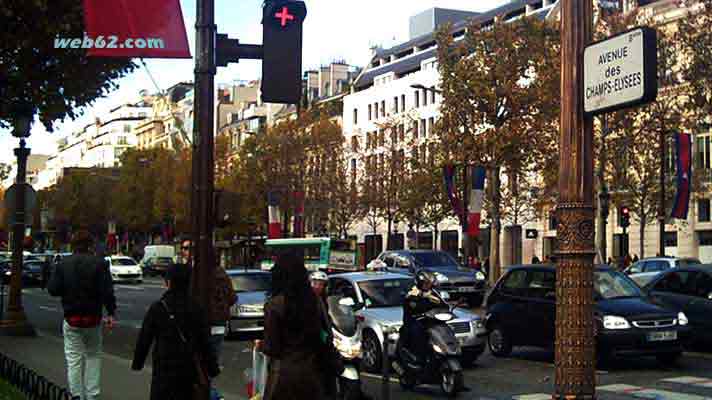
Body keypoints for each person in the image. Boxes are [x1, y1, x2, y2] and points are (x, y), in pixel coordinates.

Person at [132, 264, 220, 400]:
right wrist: (212, 368)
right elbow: (204, 341)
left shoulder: (158, 307)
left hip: (164, 368)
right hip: (188, 370)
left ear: (169, 283)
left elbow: (144, 338)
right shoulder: (195, 307)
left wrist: (138, 363)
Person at [48, 230, 116, 400]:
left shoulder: (63, 264)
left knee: (73, 360)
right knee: (93, 356)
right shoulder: (100, 264)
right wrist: (111, 313)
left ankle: (76, 395)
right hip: (93, 319)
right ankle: (92, 395)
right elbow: (107, 292)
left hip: (72, 318)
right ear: (90, 245)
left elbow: (53, 289)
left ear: (73, 245)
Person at [257, 253, 330, 400]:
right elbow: (326, 334)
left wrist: (261, 345)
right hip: (312, 374)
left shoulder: (275, 305)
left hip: (283, 376)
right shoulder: (315, 301)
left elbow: (272, 347)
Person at [181, 239, 236, 400]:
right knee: (211, 362)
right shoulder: (221, 273)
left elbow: (189, 298)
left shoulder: (197, 274)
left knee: (198, 364)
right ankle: (210, 393)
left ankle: (210, 395)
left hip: (202, 324)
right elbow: (232, 298)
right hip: (219, 324)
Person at [402, 270, 446, 364]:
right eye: (425, 283)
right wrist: (428, 302)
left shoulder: (433, 293)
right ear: (419, 283)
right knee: (418, 333)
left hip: (430, 320)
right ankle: (419, 357)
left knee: (444, 329)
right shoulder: (413, 293)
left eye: (429, 283)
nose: (428, 285)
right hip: (415, 321)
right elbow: (416, 306)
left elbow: (443, 305)